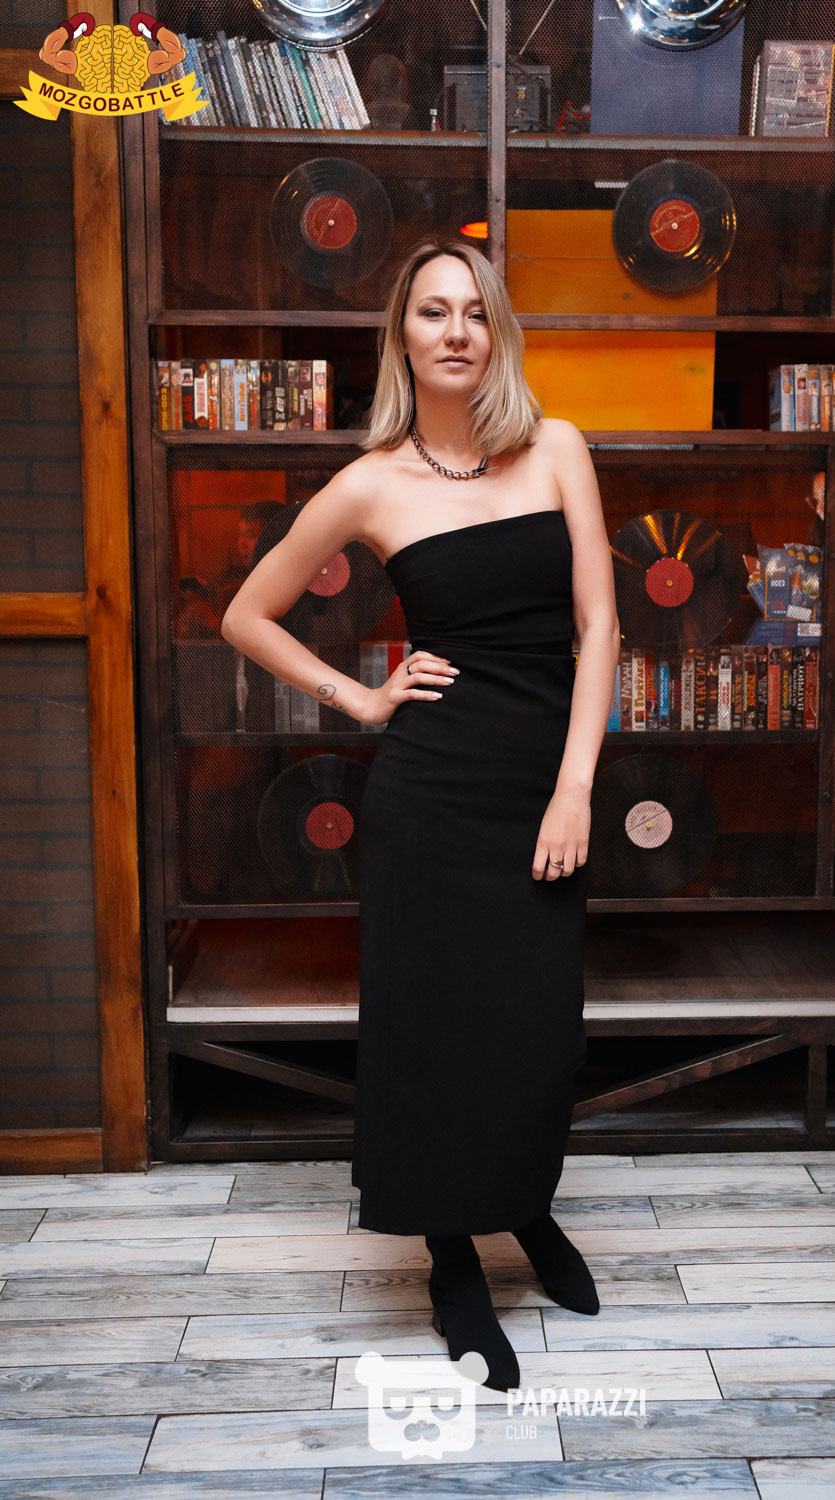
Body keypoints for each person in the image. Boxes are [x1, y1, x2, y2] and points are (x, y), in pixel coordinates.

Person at [220, 239, 620, 1392]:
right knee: (438, 1029)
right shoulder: (370, 483)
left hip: (541, 787)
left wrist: (574, 788)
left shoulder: (556, 448)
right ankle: (453, 1257)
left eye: (474, 312)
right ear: (402, 333)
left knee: (536, 1028)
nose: (455, 331)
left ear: (497, 335)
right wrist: (360, 698)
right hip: (431, 795)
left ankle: (523, 1209)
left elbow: (600, 628)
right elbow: (248, 613)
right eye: (433, 311)